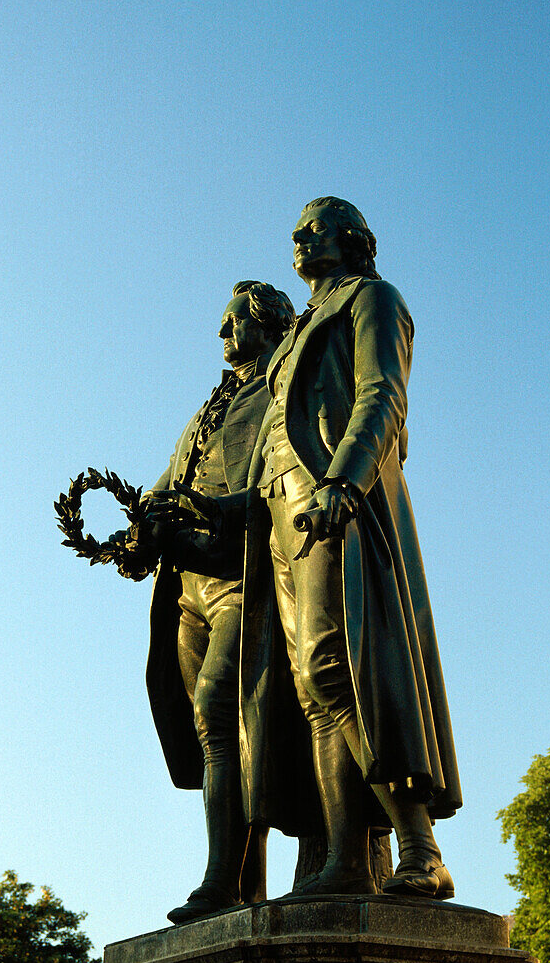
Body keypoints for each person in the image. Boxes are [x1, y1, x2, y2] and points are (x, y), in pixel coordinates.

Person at [216, 198, 462, 898]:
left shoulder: (373, 300)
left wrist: (344, 484)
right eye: (293, 229)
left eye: (315, 226)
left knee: (343, 666)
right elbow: (273, 446)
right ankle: (345, 861)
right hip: (281, 517)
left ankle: (420, 848)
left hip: (331, 501)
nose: (298, 237)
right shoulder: (289, 341)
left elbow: (382, 395)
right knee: (310, 687)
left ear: (355, 239)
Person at [135, 281, 296, 923]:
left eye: (235, 322)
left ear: (270, 324)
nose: (224, 335)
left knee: (218, 713)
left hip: (244, 578)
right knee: (217, 735)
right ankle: (239, 883)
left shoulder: (282, 391)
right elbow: (169, 481)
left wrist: (218, 513)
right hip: (188, 589)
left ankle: (219, 881)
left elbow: (284, 480)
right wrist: (138, 527)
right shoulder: (207, 410)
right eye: (223, 324)